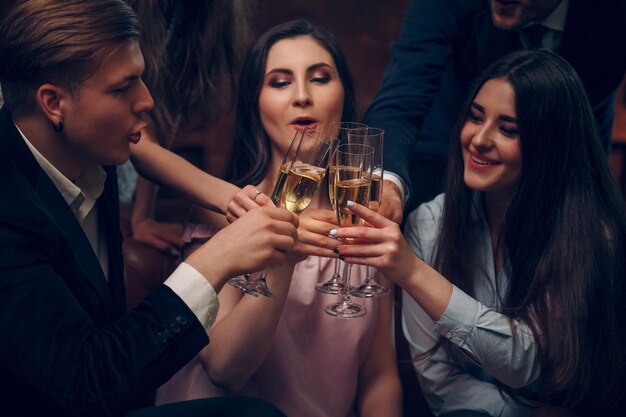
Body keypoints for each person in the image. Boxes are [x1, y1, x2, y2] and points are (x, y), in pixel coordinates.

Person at [0, 1, 298, 416]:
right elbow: (85, 385)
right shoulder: (8, 209)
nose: (147, 101)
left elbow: (148, 154)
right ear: (53, 103)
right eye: (123, 88)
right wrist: (213, 261)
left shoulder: (88, 153)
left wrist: (230, 200)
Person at [332, 50, 626, 416]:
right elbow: (436, 372)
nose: (479, 139)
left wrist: (413, 272)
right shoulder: (429, 223)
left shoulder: (593, 236)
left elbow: (526, 362)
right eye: (475, 117)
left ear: (548, 145)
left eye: (508, 129)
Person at [155, 20, 403, 417]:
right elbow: (224, 369)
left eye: (320, 78)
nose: (302, 96)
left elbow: (379, 374)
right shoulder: (224, 214)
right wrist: (285, 250)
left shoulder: (369, 222)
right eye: (280, 82)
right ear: (256, 104)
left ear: (344, 96)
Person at [365, 0, 626, 223]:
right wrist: (388, 181)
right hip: (440, 160)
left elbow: (590, 120)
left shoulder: (614, 14)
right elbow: (402, 95)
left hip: (553, 179)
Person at [121, 0, 254, 254]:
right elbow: (135, 135)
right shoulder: (116, 10)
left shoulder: (196, 14)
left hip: (126, 172)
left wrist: (142, 216)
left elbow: (154, 117)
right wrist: (233, 199)